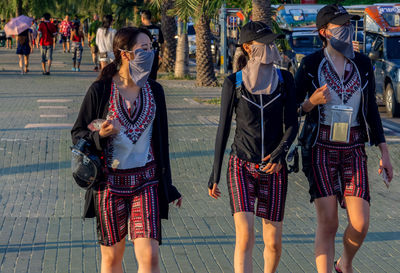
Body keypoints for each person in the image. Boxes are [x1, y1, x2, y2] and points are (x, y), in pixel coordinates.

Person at [71, 26, 182, 273]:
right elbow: (78, 133)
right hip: (109, 185)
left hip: (146, 182)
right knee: (112, 259)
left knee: (151, 255)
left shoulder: (155, 91)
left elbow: (162, 144)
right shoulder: (100, 91)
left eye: (151, 48)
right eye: (143, 49)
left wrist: (168, 186)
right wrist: (100, 135)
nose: (150, 54)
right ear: (125, 54)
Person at [295, 5, 394, 273]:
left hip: (353, 147)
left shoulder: (362, 64)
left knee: (360, 223)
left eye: (348, 24)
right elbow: (290, 109)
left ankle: (344, 263)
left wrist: (385, 153)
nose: (347, 30)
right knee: (329, 223)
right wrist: (310, 103)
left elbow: (372, 112)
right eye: (340, 25)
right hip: (320, 148)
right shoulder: (311, 64)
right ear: (324, 32)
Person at [208, 21, 298, 273]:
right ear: (248, 48)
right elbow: (223, 129)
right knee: (245, 236)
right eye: (265, 43)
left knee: (274, 243)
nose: (271, 48)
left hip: (274, 169)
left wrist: (280, 154)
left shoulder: (285, 79)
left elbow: (292, 124)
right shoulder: (233, 83)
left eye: (273, 43)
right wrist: (214, 173)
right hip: (241, 166)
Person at [140, 10, 164, 80]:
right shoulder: (157, 29)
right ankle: (152, 89)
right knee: (153, 75)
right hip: (154, 54)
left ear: (143, 18)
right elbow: (162, 43)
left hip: (143, 55)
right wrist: (162, 54)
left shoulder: (141, 29)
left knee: (144, 74)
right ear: (151, 18)